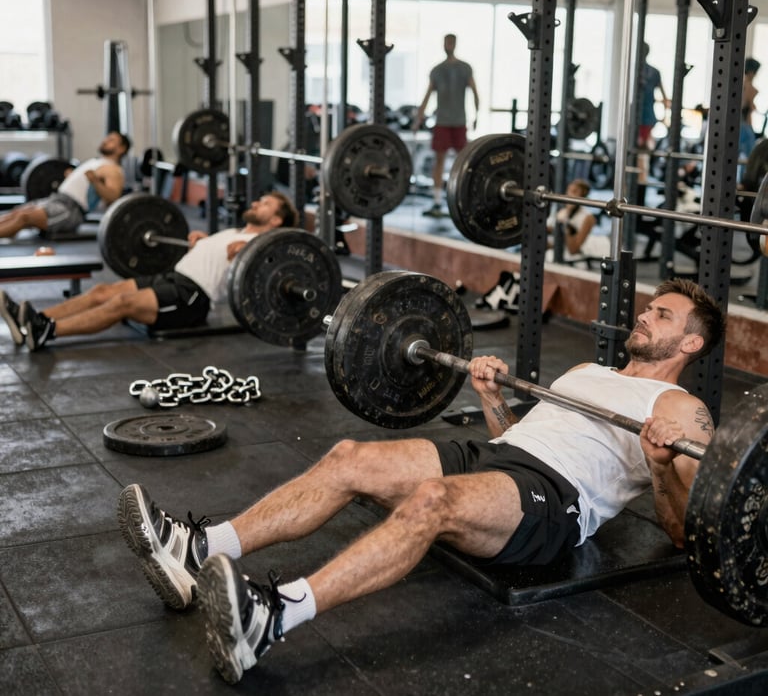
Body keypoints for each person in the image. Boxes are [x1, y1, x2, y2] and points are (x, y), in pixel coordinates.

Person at [117, 278, 725, 684]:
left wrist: (656, 463)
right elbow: (516, 433)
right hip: (500, 457)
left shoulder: (679, 411)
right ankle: (202, 547)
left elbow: (680, 532)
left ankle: (273, 617)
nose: (644, 315)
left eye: (661, 315)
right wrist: (489, 397)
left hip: (554, 500)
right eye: (648, 308)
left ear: (691, 341)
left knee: (431, 502)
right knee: (350, 456)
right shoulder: (589, 367)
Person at [0, 191, 299, 351]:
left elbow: (264, 279)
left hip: (191, 297)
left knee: (121, 304)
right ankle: (38, 318)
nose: (257, 203)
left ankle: (47, 332)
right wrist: (203, 243)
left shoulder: (264, 244)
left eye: (266, 204)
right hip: (172, 276)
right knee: (104, 291)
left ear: (275, 221)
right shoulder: (237, 230)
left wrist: (250, 253)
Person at [0, 131, 131, 240]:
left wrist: (95, 181)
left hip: (70, 209)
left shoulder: (114, 170)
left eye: (111, 140)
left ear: (121, 148)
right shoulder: (97, 162)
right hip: (57, 199)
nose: (105, 141)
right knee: (17, 213)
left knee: (24, 218)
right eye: (107, 138)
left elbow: (113, 197)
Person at [415, 33, 479, 217]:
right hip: (442, 121)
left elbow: (475, 92)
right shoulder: (437, 70)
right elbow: (428, 95)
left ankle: (463, 198)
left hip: (459, 121)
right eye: (446, 42)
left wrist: (477, 115)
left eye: (451, 42)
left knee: (463, 161)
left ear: (455, 44)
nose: (448, 45)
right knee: (440, 160)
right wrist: (418, 118)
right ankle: (437, 201)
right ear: (443, 44)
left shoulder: (465, 68)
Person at [546, 178, 610, 264]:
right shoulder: (561, 210)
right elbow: (551, 233)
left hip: (579, 259)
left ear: (582, 196)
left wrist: (566, 222)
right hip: (561, 255)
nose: (570, 195)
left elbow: (573, 250)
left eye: (574, 192)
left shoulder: (588, 218)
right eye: (568, 190)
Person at [637, 43, 668, 152]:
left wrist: (665, 117)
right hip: (642, 117)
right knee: (640, 150)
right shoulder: (634, 70)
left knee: (643, 151)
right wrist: (664, 116)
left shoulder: (652, 72)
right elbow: (665, 98)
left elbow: (665, 99)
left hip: (645, 117)